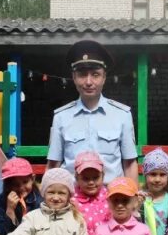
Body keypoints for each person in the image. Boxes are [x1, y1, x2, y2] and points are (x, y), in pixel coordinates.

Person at [46, 40, 138, 183]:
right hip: (72, 200)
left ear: (104, 78)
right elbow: (53, 165)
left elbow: (130, 164)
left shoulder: (122, 115)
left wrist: (132, 199)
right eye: (82, 75)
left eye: (95, 74)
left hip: (111, 199)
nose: (88, 82)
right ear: (74, 77)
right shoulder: (61, 117)